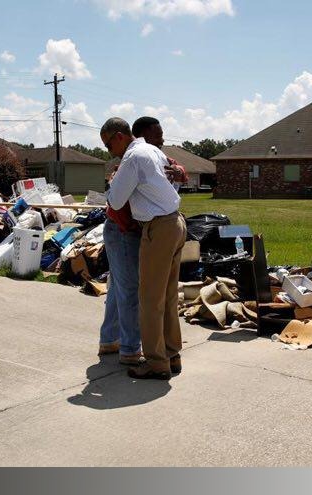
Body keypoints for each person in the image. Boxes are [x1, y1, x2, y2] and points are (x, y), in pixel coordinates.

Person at [101, 117, 187, 380]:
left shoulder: (132, 157)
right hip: (176, 223)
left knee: (149, 299)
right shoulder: (152, 150)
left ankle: (155, 362)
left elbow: (115, 200)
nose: (109, 152)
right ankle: (172, 356)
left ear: (118, 137)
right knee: (168, 296)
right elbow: (173, 177)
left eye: (108, 145)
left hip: (157, 229)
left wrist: (113, 182)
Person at [98, 170, 143, 366]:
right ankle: (130, 349)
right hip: (122, 231)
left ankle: (109, 340)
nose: (160, 143)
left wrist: (178, 173)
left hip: (118, 229)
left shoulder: (147, 162)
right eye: (157, 138)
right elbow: (117, 203)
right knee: (130, 291)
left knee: (118, 287)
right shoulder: (128, 168)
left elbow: (179, 170)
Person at [131, 117, 189, 191]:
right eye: (158, 136)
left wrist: (179, 172)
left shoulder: (167, 161)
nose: (162, 140)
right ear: (142, 138)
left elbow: (181, 170)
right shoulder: (128, 163)